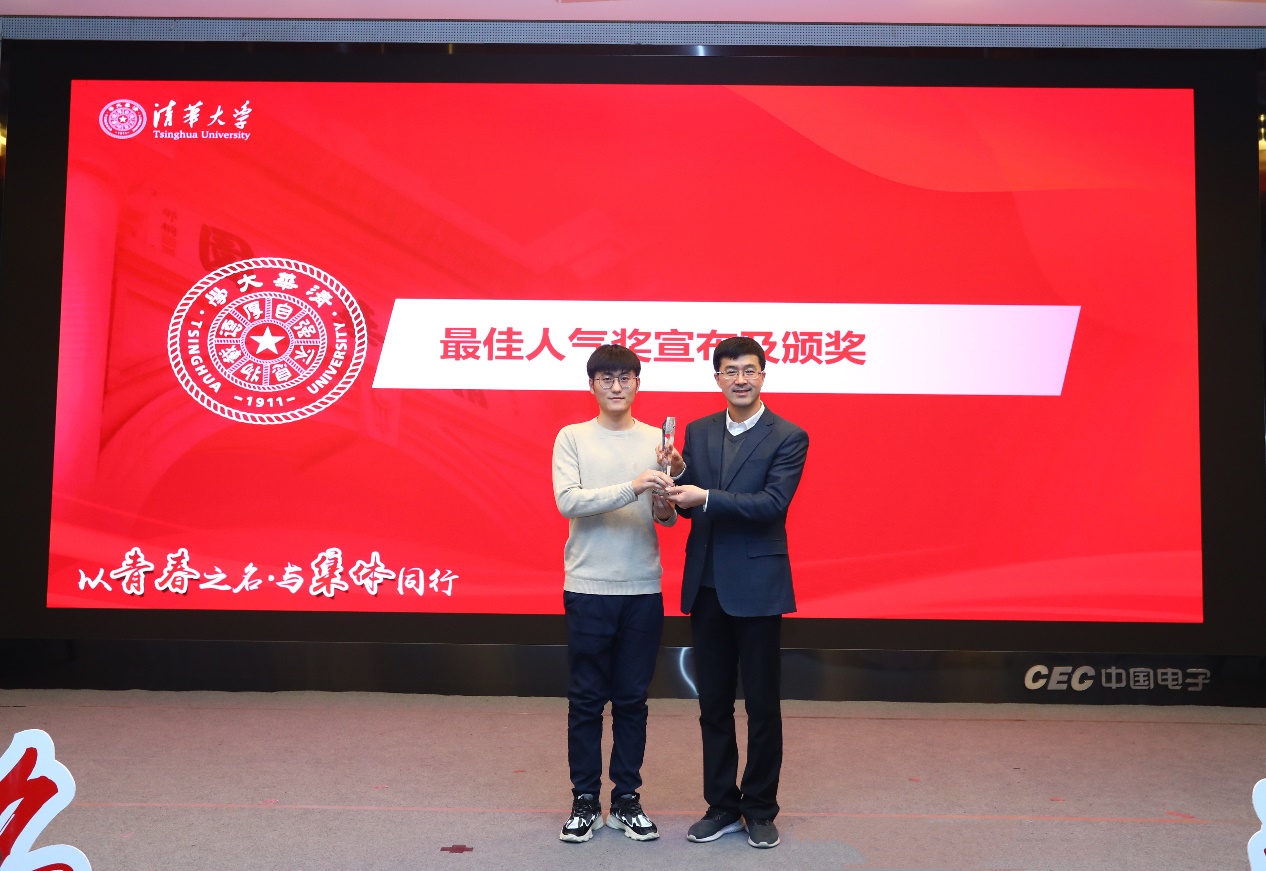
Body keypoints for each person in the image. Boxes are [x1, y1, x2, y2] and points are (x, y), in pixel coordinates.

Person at [664, 335, 809, 850]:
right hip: (706, 585)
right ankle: (722, 805)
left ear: (763, 375)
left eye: (749, 370)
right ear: (718, 378)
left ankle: (761, 808)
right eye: (730, 371)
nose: (740, 379)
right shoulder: (699, 431)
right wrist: (674, 480)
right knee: (713, 705)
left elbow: (771, 504)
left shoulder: (788, 435)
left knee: (763, 706)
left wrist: (705, 495)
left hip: (758, 587)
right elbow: (689, 508)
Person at [551, 344, 678, 843]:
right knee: (586, 700)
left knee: (632, 701)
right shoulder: (572, 437)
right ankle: (585, 799)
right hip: (588, 586)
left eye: (626, 377)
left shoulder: (656, 442)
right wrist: (635, 484)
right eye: (606, 378)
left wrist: (664, 493)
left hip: (642, 587)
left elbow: (664, 518)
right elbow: (569, 501)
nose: (617, 386)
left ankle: (626, 799)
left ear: (638, 384)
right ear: (592, 386)